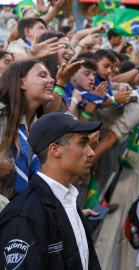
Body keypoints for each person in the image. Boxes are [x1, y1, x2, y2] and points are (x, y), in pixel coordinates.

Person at [0, 110, 102, 269]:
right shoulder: (25, 216)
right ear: (55, 150)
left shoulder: (67, 202)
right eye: (83, 143)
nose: (91, 152)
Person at [0, 59, 81, 199]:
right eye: (42, 75)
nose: (51, 80)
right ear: (21, 83)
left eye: (51, 76)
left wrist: (61, 82)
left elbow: (50, 115)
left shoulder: (35, 124)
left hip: (18, 211)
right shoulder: (2, 114)